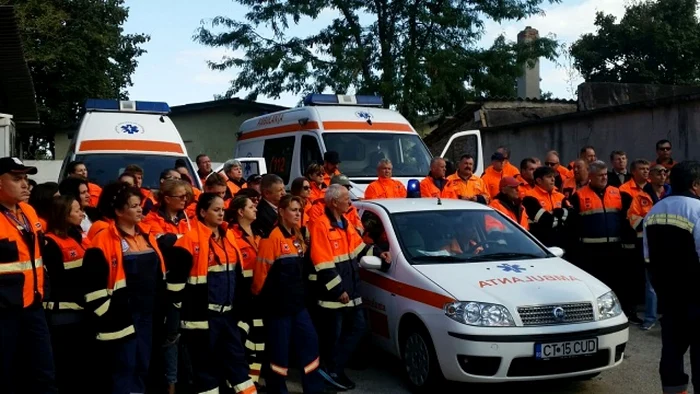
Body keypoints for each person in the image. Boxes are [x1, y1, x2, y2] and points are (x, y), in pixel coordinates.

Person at [166, 193, 257, 394]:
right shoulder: (188, 241)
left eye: (222, 210)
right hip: (203, 319)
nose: (221, 213)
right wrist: (183, 318)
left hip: (228, 316)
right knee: (206, 372)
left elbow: (238, 277)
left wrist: (241, 314)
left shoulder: (229, 236)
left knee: (239, 366)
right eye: (216, 210)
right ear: (202, 212)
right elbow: (175, 287)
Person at [82, 181, 166, 394]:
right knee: (123, 369)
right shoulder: (103, 240)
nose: (140, 209)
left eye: (140, 204)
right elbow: (93, 289)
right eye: (133, 205)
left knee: (142, 366)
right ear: (119, 211)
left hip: (147, 315)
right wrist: (109, 318)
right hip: (121, 316)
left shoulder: (147, 236)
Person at [310, 184, 390, 390]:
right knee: (332, 337)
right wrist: (338, 290)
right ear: (335, 202)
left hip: (351, 292)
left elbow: (359, 248)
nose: (350, 202)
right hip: (334, 296)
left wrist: (379, 253)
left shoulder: (344, 222)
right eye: (346, 198)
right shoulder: (321, 225)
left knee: (358, 329)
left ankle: (334, 369)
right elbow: (322, 263)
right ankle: (332, 371)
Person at [253, 195, 326, 394]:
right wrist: (261, 301)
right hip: (278, 309)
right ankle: (278, 389)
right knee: (279, 354)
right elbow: (260, 276)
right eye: (293, 210)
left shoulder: (297, 237)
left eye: (299, 210)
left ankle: (313, 387)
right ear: (281, 212)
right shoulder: (272, 239)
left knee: (310, 345)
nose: (297, 213)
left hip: (298, 306)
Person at [0, 157, 57, 393]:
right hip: (4, 312)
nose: (25, 184)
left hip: (33, 306)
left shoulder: (28, 211)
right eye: (16, 179)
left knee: (44, 373)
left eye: (25, 178)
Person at [644, 161, 700, 394]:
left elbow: (647, 258)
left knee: (671, 353)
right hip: (697, 297)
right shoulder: (697, 209)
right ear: (695, 184)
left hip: (669, 298)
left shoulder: (653, 211)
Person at [141, 178, 192, 393]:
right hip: (165, 287)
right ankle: (169, 384)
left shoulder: (187, 218)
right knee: (170, 336)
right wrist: (183, 239)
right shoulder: (151, 219)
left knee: (185, 336)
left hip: (188, 283)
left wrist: (177, 238)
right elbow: (163, 243)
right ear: (166, 199)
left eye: (186, 196)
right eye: (180, 196)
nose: (185, 200)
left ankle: (185, 380)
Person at [42, 195, 94, 393]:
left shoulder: (75, 237)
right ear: (63, 214)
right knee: (66, 366)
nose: (82, 213)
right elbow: (58, 280)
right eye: (76, 210)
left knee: (79, 367)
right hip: (62, 316)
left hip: (80, 311)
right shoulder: (51, 243)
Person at [628, 164, 671, 331]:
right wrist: (655, 224)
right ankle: (650, 318)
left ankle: (668, 316)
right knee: (651, 283)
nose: (662, 175)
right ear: (650, 177)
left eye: (665, 172)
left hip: (669, 244)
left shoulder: (671, 194)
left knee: (670, 282)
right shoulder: (640, 197)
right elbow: (633, 219)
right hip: (649, 244)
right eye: (658, 172)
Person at [228, 196, 266, 386]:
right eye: (251, 207)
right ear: (241, 212)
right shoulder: (231, 236)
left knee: (258, 340)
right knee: (241, 339)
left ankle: (253, 379)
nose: (255, 210)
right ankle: (237, 378)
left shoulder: (258, 233)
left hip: (259, 295)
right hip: (241, 296)